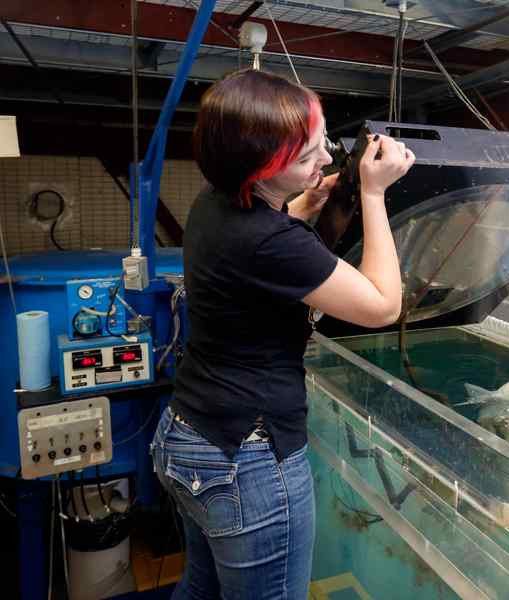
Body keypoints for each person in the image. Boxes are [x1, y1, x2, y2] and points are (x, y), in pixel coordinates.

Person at [150, 69, 415, 600]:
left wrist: (304, 206)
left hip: (186, 438)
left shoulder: (215, 201)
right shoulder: (269, 240)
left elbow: (262, 246)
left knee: (201, 589)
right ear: (262, 170)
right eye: (305, 158)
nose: (324, 162)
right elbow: (383, 306)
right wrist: (373, 191)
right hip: (247, 461)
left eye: (323, 145)